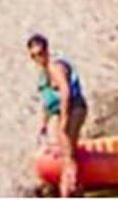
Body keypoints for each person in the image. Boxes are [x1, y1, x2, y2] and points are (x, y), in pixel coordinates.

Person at [27, 34, 87, 198]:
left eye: (40, 53)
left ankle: (70, 189)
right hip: (65, 112)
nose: (38, 59)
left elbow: (65, 91)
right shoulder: (44, 73)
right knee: (66, 150)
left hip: (74, 109)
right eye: (33, 56)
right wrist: (44, 123)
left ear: (47, 51)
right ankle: (75, 188)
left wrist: (65, 118)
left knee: (68, 155)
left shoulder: (54, 67)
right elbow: (49, 103)